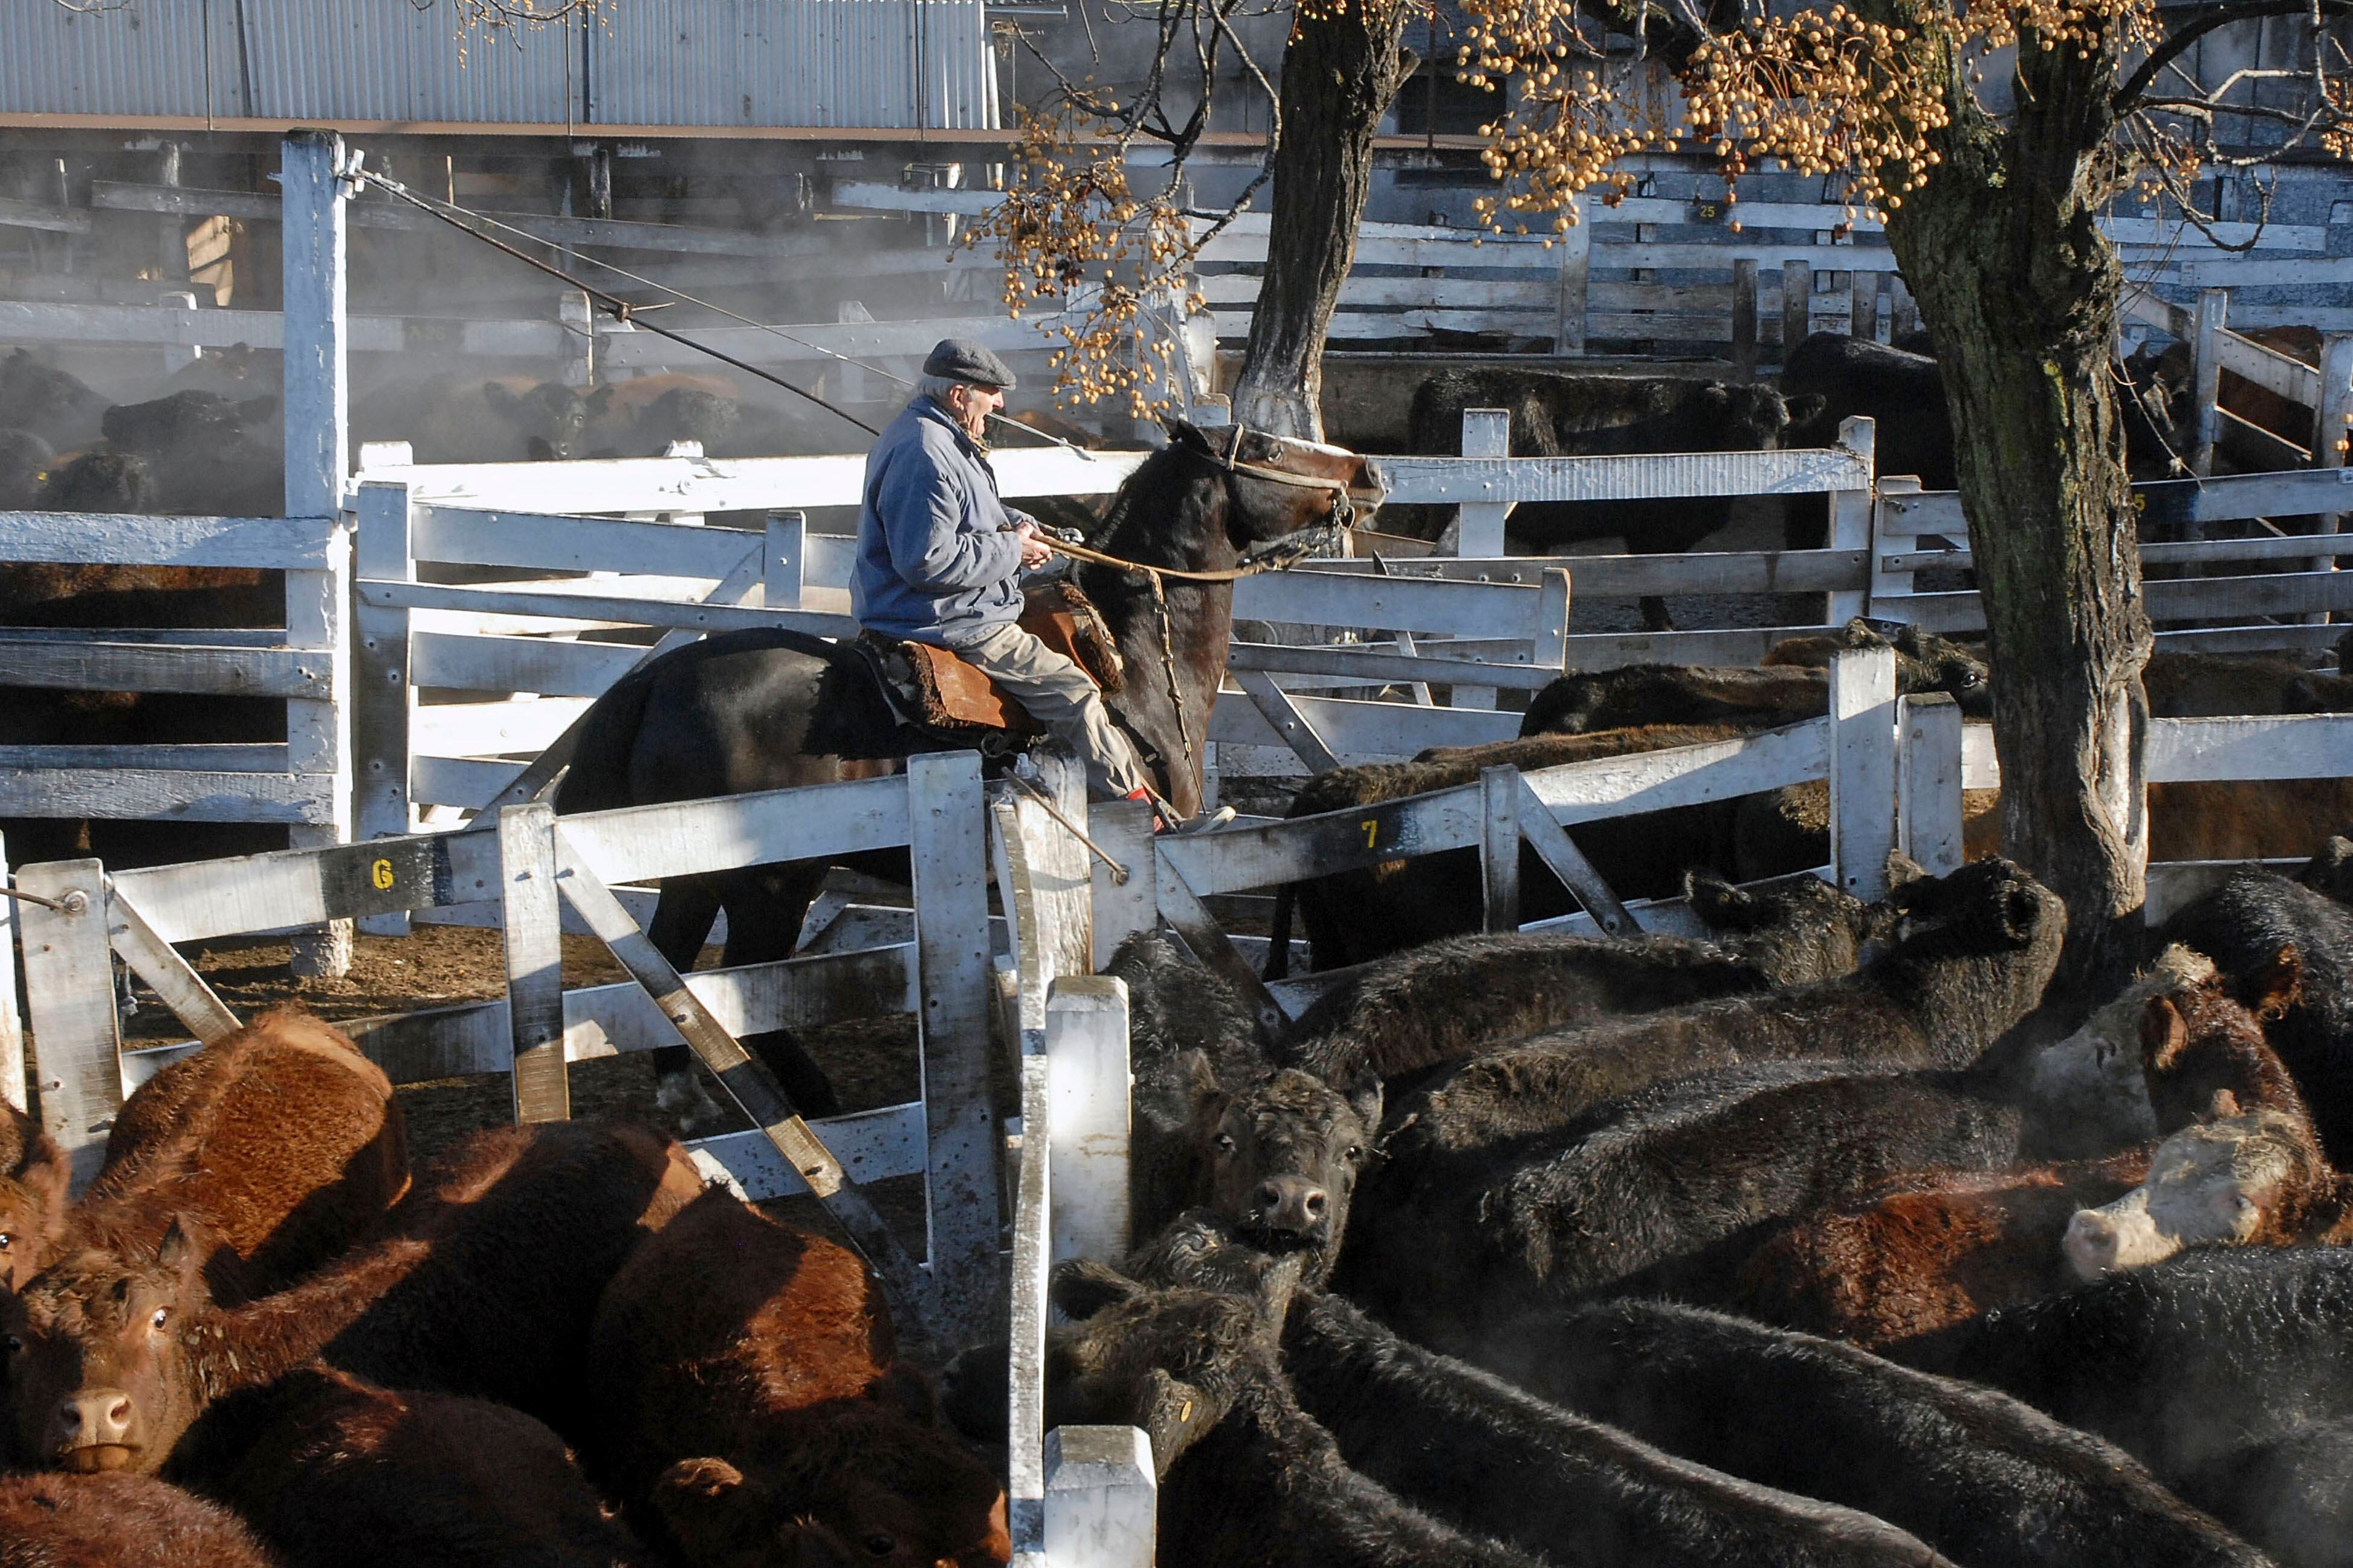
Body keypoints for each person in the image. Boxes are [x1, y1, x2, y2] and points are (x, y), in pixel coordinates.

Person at [851, 338, 1167, 815]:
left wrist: (1019, 528)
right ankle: (1143, 817)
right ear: (959, 394)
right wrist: (1012, 550)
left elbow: (971, 511)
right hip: (941, 617)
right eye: (990, 392)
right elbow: (927, 561)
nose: (1000, 403)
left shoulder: (939, 436)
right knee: (1073, 692)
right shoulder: (926, 452)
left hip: (944, 606)